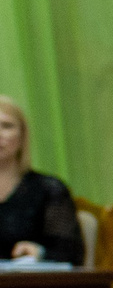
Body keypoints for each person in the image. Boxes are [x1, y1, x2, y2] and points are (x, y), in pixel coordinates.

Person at [0, 95, 84, 265]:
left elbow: (71, 254)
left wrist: (39, 252)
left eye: (6, 126)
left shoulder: (48, 189)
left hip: (29, 287)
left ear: (23, 136)